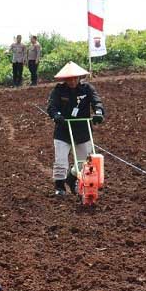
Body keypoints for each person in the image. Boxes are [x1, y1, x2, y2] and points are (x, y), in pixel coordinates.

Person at [46, 62, 105, 197]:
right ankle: (60, 187)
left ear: (79, 78)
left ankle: (72, 178)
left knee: (83, 162)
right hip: (63, 130)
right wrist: (56, 116)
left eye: (74, 78)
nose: (72, 81)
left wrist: (98, 113)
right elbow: (51, 106)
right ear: (65, 79)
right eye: (69, 79)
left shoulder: (87, 89)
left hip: (82, 129)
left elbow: (97, 101)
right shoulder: (59, 90)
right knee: (61, 160)